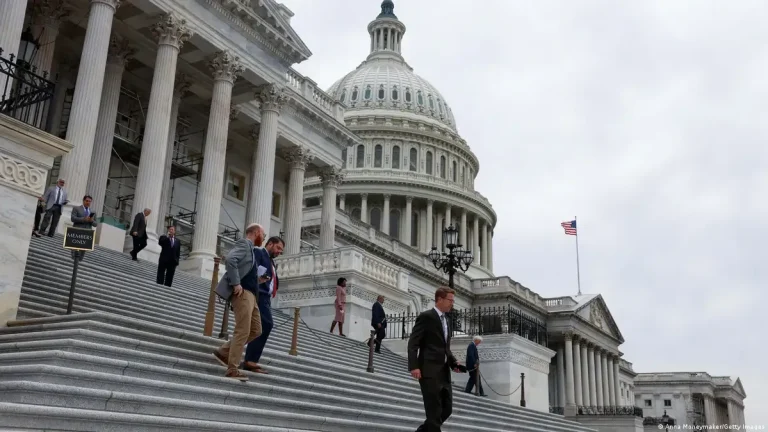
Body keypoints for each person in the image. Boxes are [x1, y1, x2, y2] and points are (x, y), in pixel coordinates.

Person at [212, 223, 270, 381]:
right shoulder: (244, 244)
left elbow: (245, 272)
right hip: (243, 293)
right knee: (243, 330)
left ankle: (224, 352)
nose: (264, 239)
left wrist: (258, 280)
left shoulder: (251, 250)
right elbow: (231, 260)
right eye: (263, 235)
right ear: (257, 232)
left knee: (256, 329)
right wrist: (236, 283)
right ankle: (232, 369)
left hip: (252, 294)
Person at [408, 287, 466, 432]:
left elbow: (445, 347)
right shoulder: (426, 317)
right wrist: (414, 366)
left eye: (453, 301)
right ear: (439, 299)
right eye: (450, 300)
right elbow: (413, 343)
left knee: (447, 409)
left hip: (444, 372)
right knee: (433, 413)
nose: (452, 304)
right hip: (429, 371)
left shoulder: (447, 319)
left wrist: (453, 363)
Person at [242, 236, 284, 374]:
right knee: (266, 324)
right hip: (259, 294)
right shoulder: (260, 253)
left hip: (266, 297)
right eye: (278, 248)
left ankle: (249, 358)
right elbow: (253, 270)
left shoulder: (272, 262)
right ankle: (250, 359)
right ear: (270, 244)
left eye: (281, 250)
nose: (279, 252)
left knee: (260, 326)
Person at [70, 195, 97, 261]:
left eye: (89, 201)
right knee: (74, 249)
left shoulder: (93, 212)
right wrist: (83, 219)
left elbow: (95, 224)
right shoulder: (76, 208)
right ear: (83, 201)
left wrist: (91, 221)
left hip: (87, 234)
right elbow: (73, 218)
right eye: (87, 201)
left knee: (82, 251)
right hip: (77, 232)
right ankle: (73, 261)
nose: (88, 202)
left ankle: (79, 261)